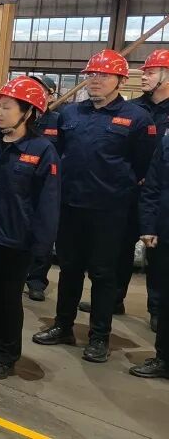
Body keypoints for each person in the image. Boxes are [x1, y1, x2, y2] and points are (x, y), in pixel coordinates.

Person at [33, 50, 155, 364]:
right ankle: (63, 326)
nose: (95, 80)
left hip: (110, 211)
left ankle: (99, 336)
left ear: (121, 81)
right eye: (92, 74)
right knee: (69, 269)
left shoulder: (137, 118)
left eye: (104, 75)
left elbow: (143, 166)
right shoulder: (70, 114)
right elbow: (62, 153)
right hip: (71, 206)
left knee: (103, 274)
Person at [0, 77, 60, 380]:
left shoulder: (42, 150)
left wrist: (42, 246)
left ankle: (5, 353)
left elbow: (48, 202)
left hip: (17, 241)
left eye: (7, 107)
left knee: (8, 299)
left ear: (28, 112)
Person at [114, 50, 169, 331]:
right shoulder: (133, 109)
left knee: (157, 254)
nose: (143, 76)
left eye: (150, 72)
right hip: (131, 190)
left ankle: (157, 309)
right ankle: (114, 298)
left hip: (160, 194)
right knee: (120, 245)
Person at [131, 129, 169, 379]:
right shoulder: (167, 142)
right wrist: (148, 226)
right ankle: (164, 358)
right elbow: (153, 186)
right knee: (166, 301)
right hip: (165, 234)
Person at [24, 74, 63, 302]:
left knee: (43, 230)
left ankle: (37, 280)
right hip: (22, 180)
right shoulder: (21, 119)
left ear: (50, 95)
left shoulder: (58, 121)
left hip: (47, 181)